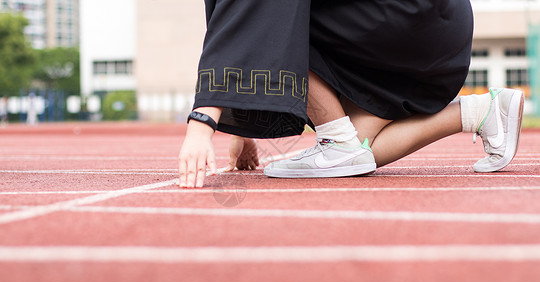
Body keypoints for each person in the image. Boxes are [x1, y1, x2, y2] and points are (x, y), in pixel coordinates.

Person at [178, 0, 524, 188]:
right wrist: (244, 122)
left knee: (281, 25)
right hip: (428, 22)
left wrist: (204, 121)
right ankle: (481, 111)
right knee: (361, 147)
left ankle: (337, 141)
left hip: (397, 21)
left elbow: (248, 23)